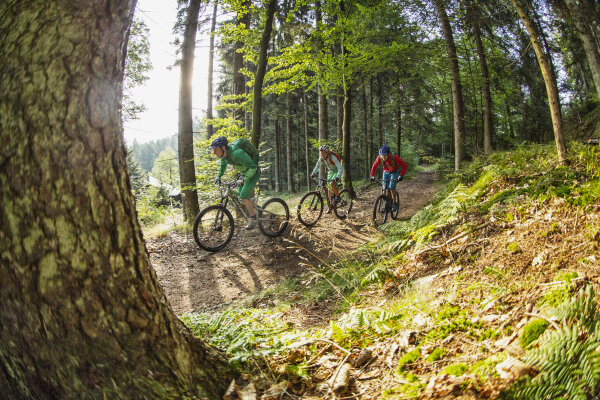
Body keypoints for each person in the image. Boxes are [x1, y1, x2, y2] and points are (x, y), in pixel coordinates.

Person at [209, 136, 260, 229]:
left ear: (223, 148)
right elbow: (222, 166)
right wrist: (218, 177)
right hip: (244, 172)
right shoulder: (224, 156)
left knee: (243, 196)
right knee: (241, 197)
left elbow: (253, 167)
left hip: (253, 172)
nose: (214, 152)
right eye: (213, 150)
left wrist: (244, 180)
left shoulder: (237, 154)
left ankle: (254, 218)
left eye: (216, 149)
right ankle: (253, 207)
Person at [370, 145, 408, 211]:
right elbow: (374, 166)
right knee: (384, 189)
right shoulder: (380, 158)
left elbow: (405, 165)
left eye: (385, 155)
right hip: (386, 172)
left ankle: (394, 203)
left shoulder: (395, 158)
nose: (383, 157)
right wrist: (372, 176)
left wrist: (401, 175)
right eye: (382, 155)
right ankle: (386, 204)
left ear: (388, 154)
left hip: (395, 172)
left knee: (391, 187)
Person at [310, 145, 342, 213]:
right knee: (329, 190)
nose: (322, 154)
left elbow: (340, 168)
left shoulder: (332, 157)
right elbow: (317, 166)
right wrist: (313, 173)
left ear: (327, 153)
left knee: (332, 183)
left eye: (323, 153)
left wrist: (337, 177)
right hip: (330, 172)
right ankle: (330, 207)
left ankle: (338, 197)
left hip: (336, 171)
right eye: (321, 153)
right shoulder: (321, 158)